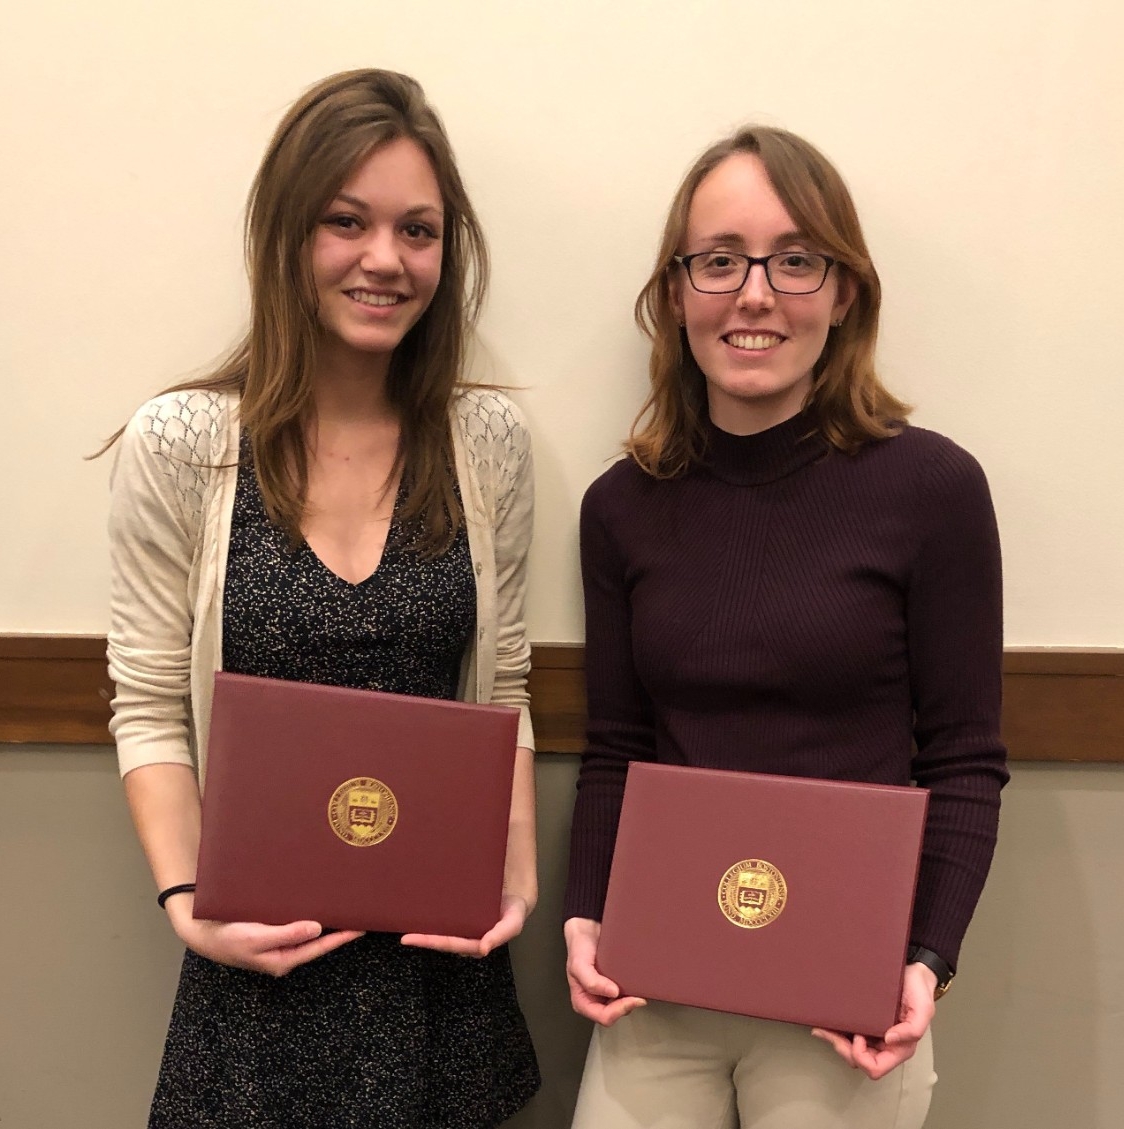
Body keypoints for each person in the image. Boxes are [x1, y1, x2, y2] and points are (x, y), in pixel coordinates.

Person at [104, 69, 539, 1128]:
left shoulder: (486, 445)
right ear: (287, 235)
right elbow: (150, 703)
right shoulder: (181, 443)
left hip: (442, 977)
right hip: (257, 978)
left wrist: (514, 884)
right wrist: (186, 905)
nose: (385, 259)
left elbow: (505, 695)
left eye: (418, 230)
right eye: (346, 222)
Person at [563, 125, 1007, 1129]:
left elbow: (963, 757)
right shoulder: (618, 507)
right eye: (717, 261)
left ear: (842, 292)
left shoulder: (931, 488)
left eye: (793, 260)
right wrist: (587, 914)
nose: (752, 293)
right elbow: (616, 750)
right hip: (657, 982)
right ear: (675, 292)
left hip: (845, 998)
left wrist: (922, 959)